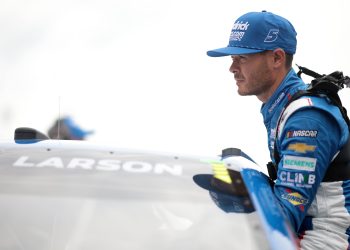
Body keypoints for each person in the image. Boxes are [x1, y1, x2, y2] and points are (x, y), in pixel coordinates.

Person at [207, 11, 350, 249]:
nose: (231, 68)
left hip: (327, 241)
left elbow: (283, 217)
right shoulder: (283, 108)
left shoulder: (306, 121)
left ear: (276, 58)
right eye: (232, 57)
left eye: (242, 58)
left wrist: (235, 192)